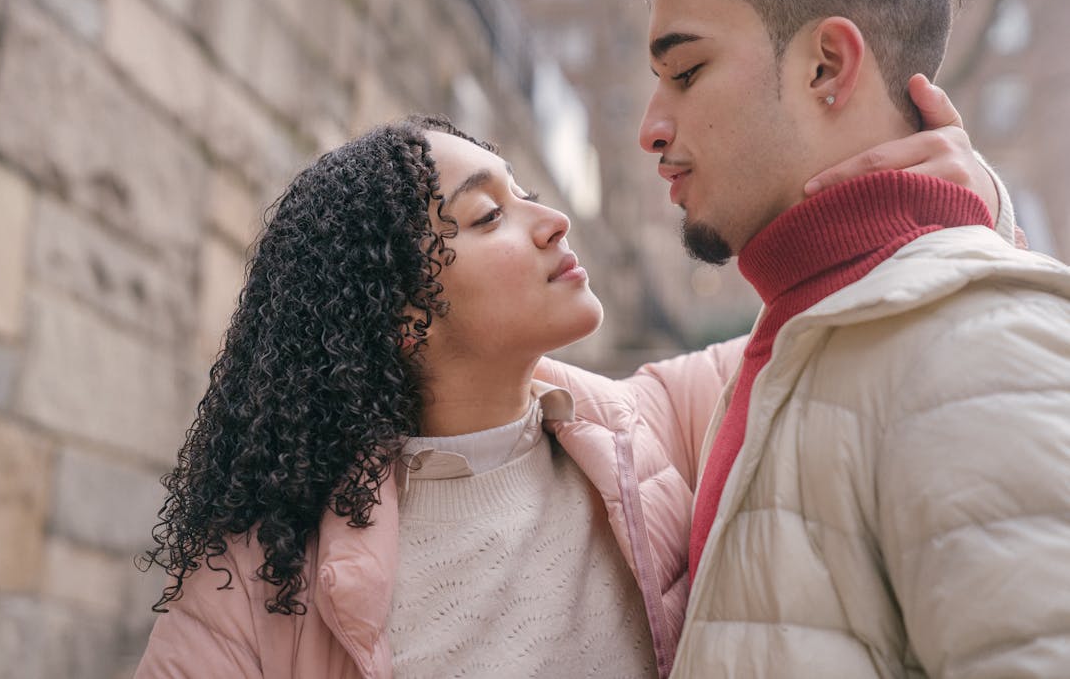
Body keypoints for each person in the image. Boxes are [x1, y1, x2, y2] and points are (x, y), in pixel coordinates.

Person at [133, 103, 999, 678]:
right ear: (399, 317)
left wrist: (967, 202)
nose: (552, 221)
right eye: (486, 216)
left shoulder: (658, 425)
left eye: (529, 195)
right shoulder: (251, 585)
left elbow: (882, 325)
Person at [570, 0, 1070, 676]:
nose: (651, 128)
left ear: (825, 67)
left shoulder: (974, 342)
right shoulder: (802, 339)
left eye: (686, 70)